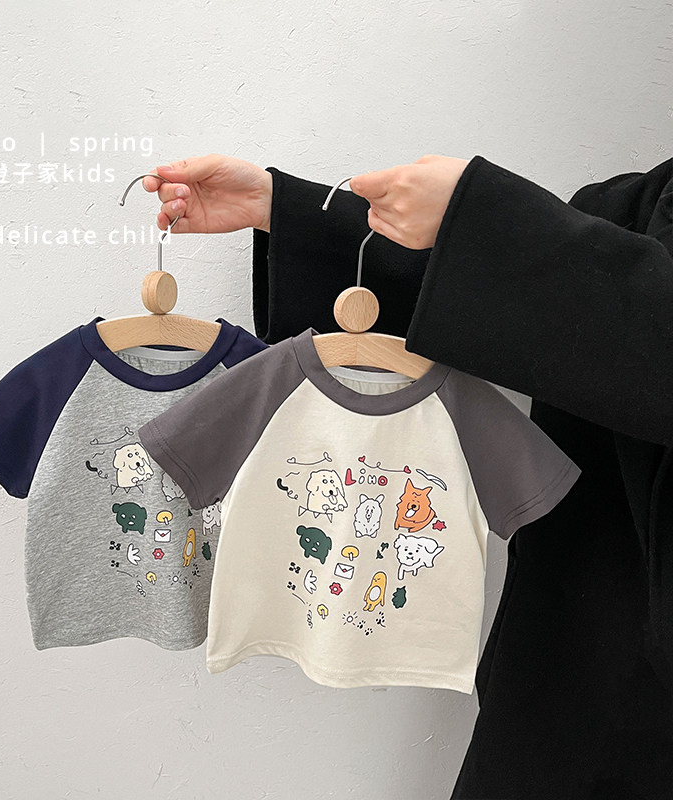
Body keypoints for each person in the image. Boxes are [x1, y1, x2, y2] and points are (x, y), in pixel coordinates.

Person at [142, 153, 673, 799]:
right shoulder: (642, 201)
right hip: (575, 653)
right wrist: (294, 213)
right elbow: (550, 310)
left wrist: (481, 222)